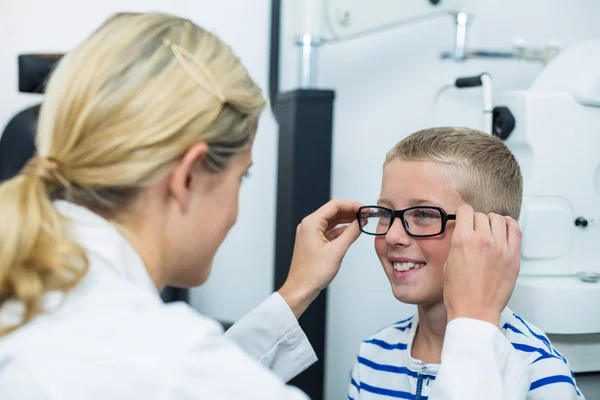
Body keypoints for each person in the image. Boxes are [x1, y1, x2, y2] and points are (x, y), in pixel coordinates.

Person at [0, 10, 531, 400]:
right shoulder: (168, 363)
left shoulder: (46, 302)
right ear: (188, 176)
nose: (394, 234)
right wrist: (476, 334)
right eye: (242, 176)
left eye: (421, 214)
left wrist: (297, 290)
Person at [348, 127, 583, 400]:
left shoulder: (540, 374)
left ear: (490, 235)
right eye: (386, 213)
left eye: (423, 214)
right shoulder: (373, 354)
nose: (392, 236)